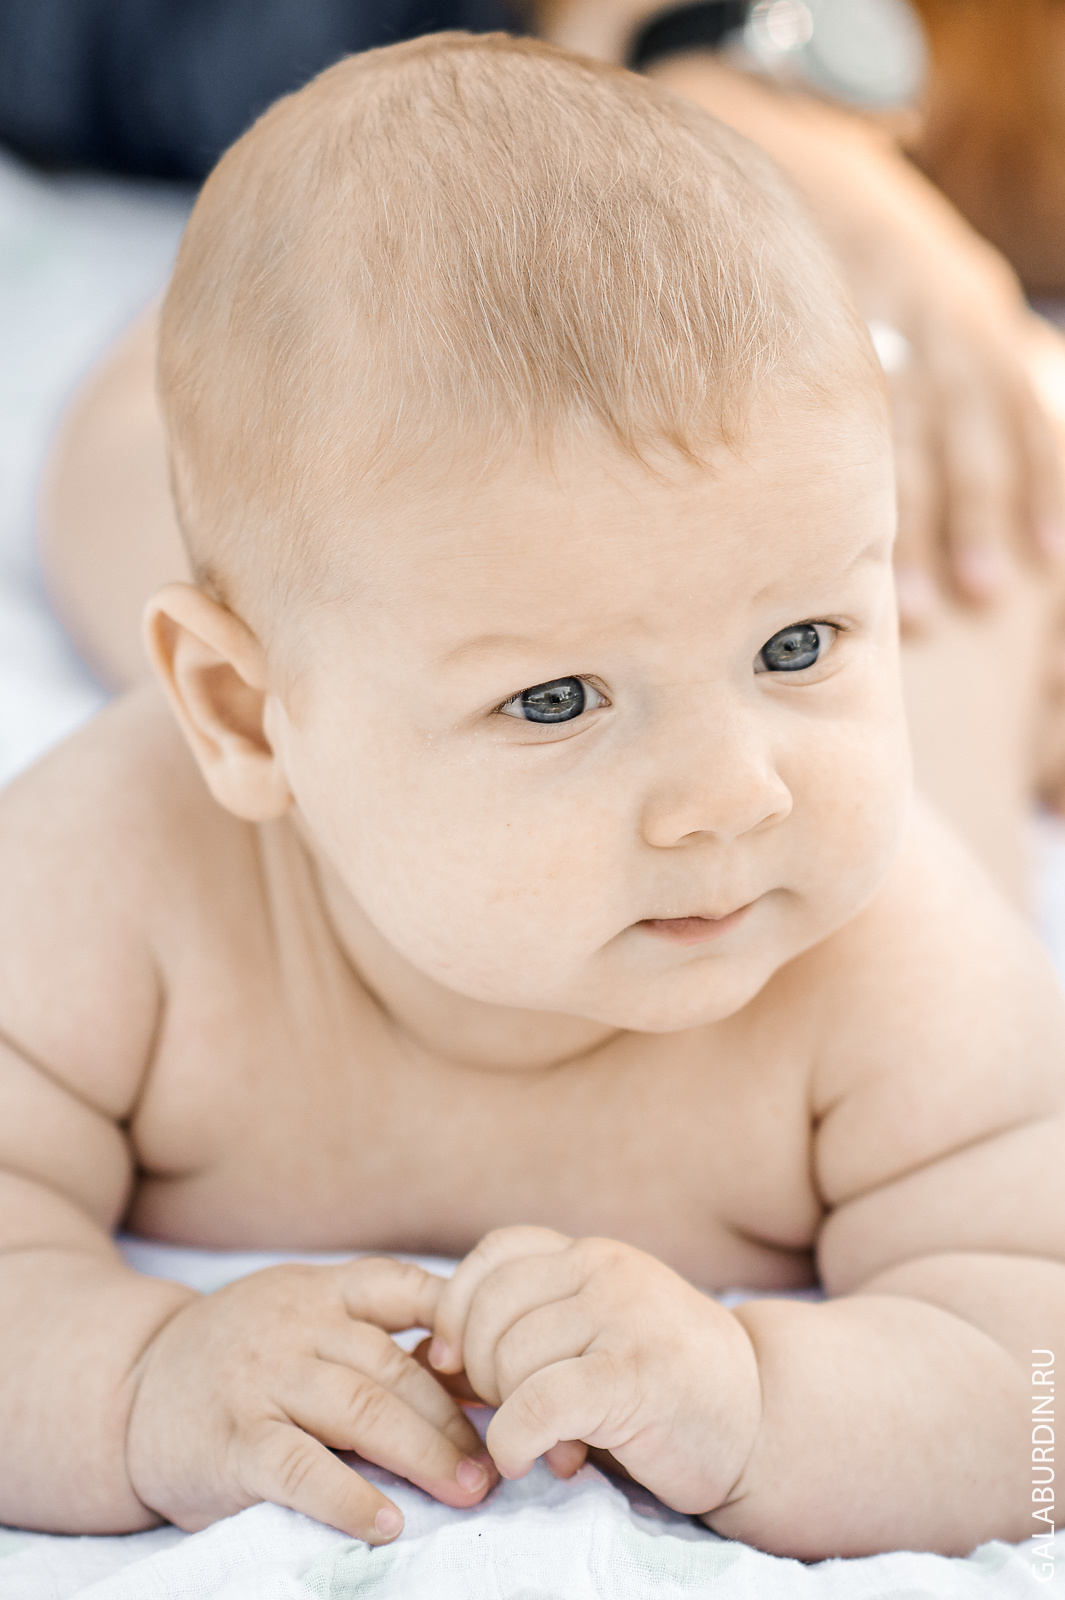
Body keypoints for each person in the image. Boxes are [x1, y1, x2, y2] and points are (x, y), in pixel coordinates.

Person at [1, 33, 1063, 1559]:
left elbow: (1040, 1411)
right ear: (242, 714)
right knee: (133, 480)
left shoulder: (890, 977)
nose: (730, 799)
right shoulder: (110, 884)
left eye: (797, 645)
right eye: (555, 700)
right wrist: (131, 1383)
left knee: (992, 566)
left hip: (974, 568)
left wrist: (764, 1403)